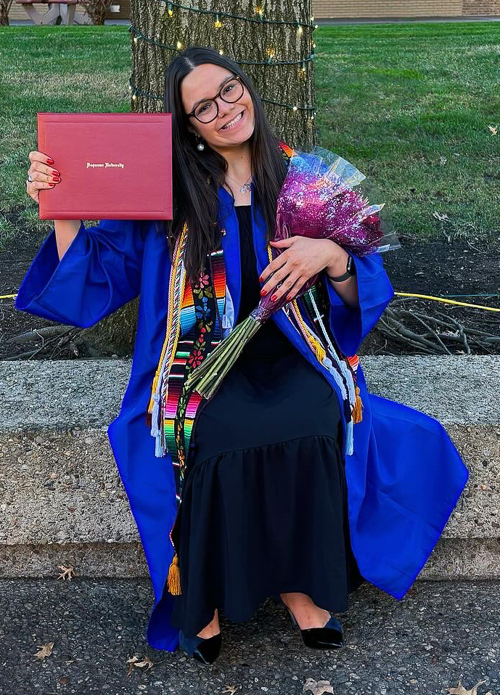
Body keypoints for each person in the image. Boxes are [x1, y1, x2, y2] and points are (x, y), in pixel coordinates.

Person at [17, 46, 469, 666]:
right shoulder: (166, 194)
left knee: (311, 417)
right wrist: (61, 205)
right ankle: (199, 598)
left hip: (296, 353)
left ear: (247, 86)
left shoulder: (301, 174)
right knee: (214, 429)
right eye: (205, 106)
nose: (227, 109)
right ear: (189, 127)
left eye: (230, 90)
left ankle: (299, 586)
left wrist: (329, 257)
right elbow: (95, 276)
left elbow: (362, 283)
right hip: (195, 362)